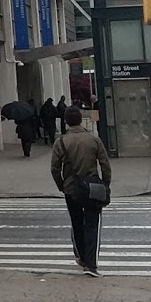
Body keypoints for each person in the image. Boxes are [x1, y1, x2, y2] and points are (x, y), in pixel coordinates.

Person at [51, 106, 111, 277]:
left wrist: (61, 185)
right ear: (80, 120)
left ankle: (82, 257)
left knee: (77, 223)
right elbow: (105, 164)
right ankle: (91, 264)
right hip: (93, 187)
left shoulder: (61, 142)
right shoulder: (94, 140)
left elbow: (54, 168)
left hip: (71, 188)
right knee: (92, 224)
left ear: (66, 122)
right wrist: (106, 184)